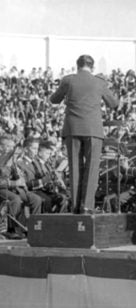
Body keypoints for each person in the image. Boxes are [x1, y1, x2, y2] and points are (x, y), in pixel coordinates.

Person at [49, 55, 118, 214]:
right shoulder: (99, 82)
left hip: (73, 129)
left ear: (77, 65)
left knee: (74, 168)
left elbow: (54, 100)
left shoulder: (68, 80)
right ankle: (87, 206)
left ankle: (75, 207)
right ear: (92, 67)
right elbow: (114, 104)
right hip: (93, 129)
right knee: (92, 168)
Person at [0, 135, 42, 237]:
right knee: (16, 200)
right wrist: (14, 183)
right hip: (2, 189)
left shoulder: (11, 160)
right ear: (1, 147)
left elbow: (16, 176)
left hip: (14, 189)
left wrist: (19, 176)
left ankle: (34, 228)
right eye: (8, 146)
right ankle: (10, 229)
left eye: (12, 146)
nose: (11, 149)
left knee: (36, 199)